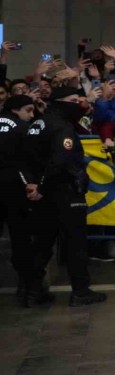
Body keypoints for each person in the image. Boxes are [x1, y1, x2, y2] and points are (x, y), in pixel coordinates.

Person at [23, 87, 108, 307]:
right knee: (75, 244)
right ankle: (80, 291)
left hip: (44, 193)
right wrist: (41, 186)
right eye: (73, 100)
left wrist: (35, 185)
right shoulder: (61, 126)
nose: (78, 104)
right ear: (59, 102)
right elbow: (60, 162)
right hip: (64, 191)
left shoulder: (38, 123)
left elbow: (27, 158)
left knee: (42, 245)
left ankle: (32, 292)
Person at [0, 96, 36, 304]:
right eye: (28, 110)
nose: (31, 115)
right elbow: (28, 159)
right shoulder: (22, 128)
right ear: (16, 110)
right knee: (21, 239)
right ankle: (27, 288)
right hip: (14, 188)